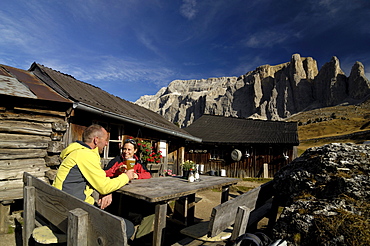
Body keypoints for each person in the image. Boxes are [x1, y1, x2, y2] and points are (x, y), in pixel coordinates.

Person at [52, 124, 135, 238]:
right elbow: (104, 186)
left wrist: (105, 191)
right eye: (106, 140)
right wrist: (126, 177)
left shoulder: (77, 152)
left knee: (109, 214)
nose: (107, 144)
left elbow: (100, 181)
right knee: (127, 227)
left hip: (59, 207)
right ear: (96, 140)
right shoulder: (85, 155)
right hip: (71, 214)